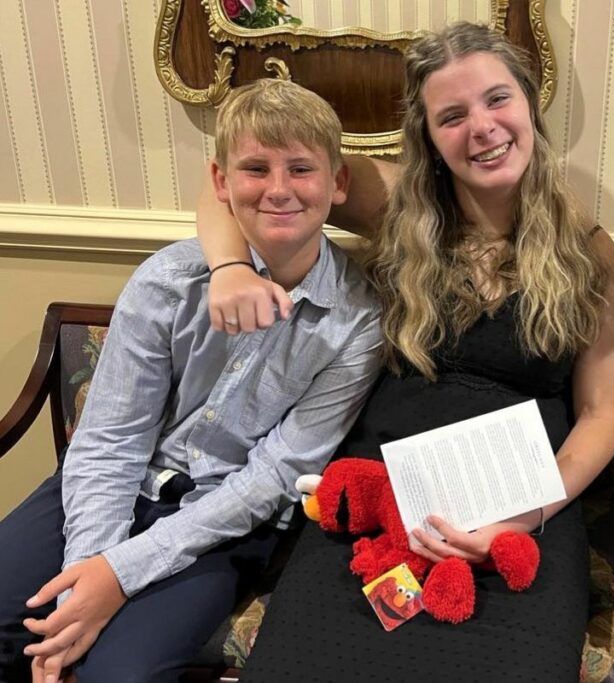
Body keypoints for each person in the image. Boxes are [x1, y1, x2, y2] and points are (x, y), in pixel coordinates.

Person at [195, 22, 614, 682]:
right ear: (427, 135)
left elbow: (602, 416)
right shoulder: (396, 202)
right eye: (451, 116)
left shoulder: (588, 250)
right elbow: (227, 182)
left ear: (529, 105)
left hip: (520, 507)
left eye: (497, 99)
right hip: (378, 496)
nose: (481, 128)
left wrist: (525, 513)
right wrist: (230, 267)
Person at [0, 78, 383, 683]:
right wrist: (89, 573)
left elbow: (275, 476)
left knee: (121, 674)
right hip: (113, 485)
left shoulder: (358, 322)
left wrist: (121, 573)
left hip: (225, 522)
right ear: (221, 182)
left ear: (337, 184)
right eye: (256, 168)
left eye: (301, 169)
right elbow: (109, 439)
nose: (279, 189)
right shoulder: (168, 282)